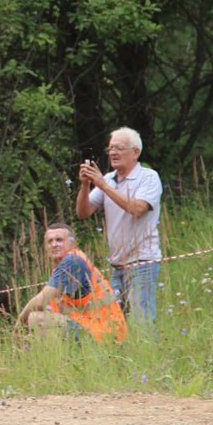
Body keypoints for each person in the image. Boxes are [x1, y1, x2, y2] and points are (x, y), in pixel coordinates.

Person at [76, 126, 164, 323]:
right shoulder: (108, 179)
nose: (113, 153)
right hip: (117, 264)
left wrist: (103, 186)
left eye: (119, 148)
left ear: (135, 152)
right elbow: (83, 212)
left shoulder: (148, 177)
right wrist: (85, 184)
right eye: (110, 149)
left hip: (142, 262)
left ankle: (147, 351)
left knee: (142, 322)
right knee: (117, 322)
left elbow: (137, 208)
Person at [16, 223, 127, 342]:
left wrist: (18, 325)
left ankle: (62, 360)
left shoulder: (73, 262)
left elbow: (40, 302)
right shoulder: (60, 268)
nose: (54, 244)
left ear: (72, 244)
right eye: (50, 241)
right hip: (92, 328)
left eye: (59, 240)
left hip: (104, 333)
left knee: (36, 318)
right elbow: (50, 307)